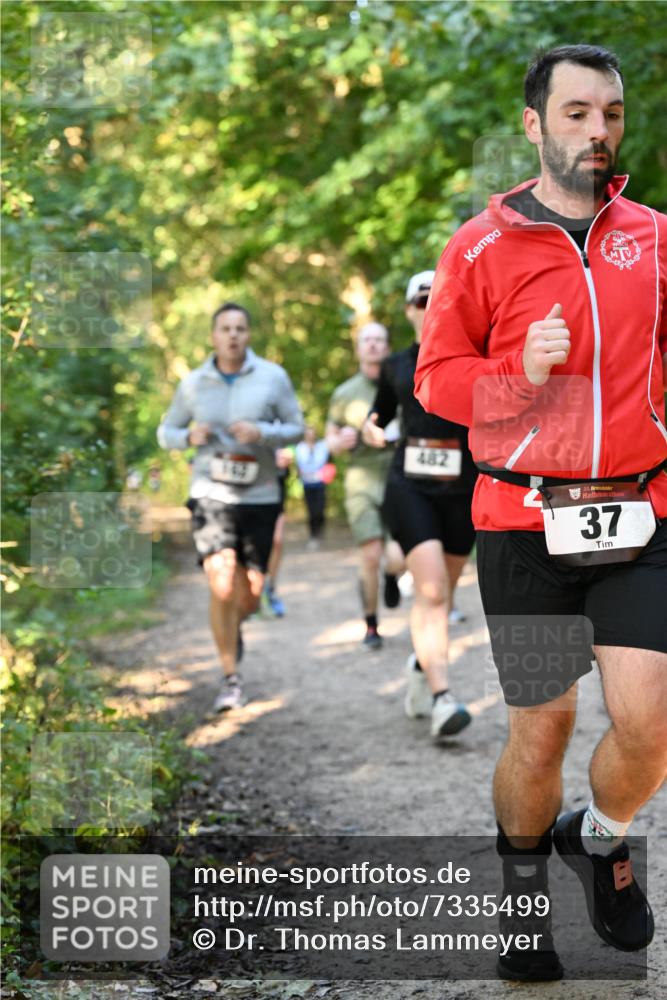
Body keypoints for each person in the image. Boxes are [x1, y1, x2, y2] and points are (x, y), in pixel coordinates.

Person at [415, 45, 666, 981]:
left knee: (650, 721)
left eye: (609, 113)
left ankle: (598, 839)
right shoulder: (478, 249)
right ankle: (522, 907)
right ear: (534, 124)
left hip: (641, 518)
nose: (595, 131)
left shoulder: (653, 236)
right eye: (574, 113)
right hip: (524, 527)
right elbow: (437, 379)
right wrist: (517, 372)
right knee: (543, 728)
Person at [157, 302, 304, 711]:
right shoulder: (193, 383)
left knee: (248, 597)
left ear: (249, 334)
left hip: (259, 495)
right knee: (221, 580)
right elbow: (165, 431)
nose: (233, 335)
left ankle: (233, 624)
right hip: (210, 493)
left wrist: (263, 431)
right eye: (225, 328)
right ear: (213, 336)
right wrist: (189, 437)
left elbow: (297, 427)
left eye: (240, 328)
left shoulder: (274, 378)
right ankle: (230, 677)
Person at [362, 272, 478, 741]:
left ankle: (420, 664)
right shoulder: (394, 366)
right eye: (422, 299)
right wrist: (372, 430)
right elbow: (379, 415)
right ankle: (442, 699)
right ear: (410, 310)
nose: (431, 306)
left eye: (439, 298)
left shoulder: (475, 356)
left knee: (444, 593)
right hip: (409, 485)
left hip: (463, 487)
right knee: (430, 592)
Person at [326, 322, 405, 649]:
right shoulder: (344, 393)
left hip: (400, 475)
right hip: (361, 477)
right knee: (370, 554)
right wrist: (339, 441)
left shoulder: (403, 381)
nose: (372, 346)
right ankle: (371, 624)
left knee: (400, 555)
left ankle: (392, 576)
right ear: (358, 348)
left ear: (387, 347)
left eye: (379, 340)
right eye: (366, 340)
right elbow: (329, 441)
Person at [262, 447, 292, 616]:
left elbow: (285, 473)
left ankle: (270, 589)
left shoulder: (281, 430)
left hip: (276, 498)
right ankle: (254, 593)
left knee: (277, 541)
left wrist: (284, 464)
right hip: (249, 498)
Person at [295, 426, 330, 549]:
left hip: (320, 482)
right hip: (307, 483)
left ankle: (320, 531)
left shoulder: (322, 447)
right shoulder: (300, 447)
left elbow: (326, 462)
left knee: (319, 510)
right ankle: (313, 536)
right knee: (311, 511)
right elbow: (299, 464)